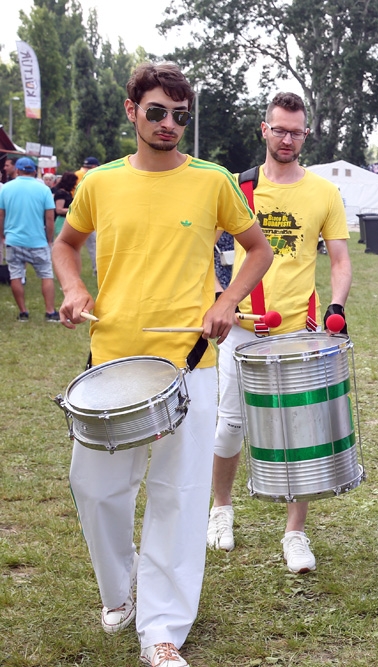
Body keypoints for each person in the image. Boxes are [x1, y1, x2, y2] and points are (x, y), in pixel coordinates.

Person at [52, 62, 273, 667]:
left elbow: (258, 250)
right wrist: (73, 287)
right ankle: (121, 588)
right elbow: (66, 244)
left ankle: (163, 629)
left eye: (180, 115)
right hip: (111, 363)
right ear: (132, 112)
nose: (169, 123)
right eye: (156, 112)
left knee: (179, 495)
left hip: (188, 363)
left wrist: (227, 300)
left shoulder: (213, 181)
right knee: (94, 487)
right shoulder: (99, 182)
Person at [207, 91, 352, 575]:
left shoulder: (324, 193)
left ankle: (294, 532)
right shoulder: (237, 186)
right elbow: (204, 248)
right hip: (243, 328)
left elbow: (340, 260)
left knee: (300, 430)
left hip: (298, 330)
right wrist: (221, 299)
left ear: (306, 135)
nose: (287, 139)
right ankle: (221, 508)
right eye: (280, 130)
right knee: (231, 424)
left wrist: (335, 306)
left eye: (296, 131)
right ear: (264, 130)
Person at [0, 157, 57, 321]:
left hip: (13, 240)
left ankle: (23, 312)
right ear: (34, 171)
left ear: (17, 170)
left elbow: (1, 215)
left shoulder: (6, 188)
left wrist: (2, 235)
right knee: (46, 275)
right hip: (37, 240)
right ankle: (50, 311)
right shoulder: (44, 189)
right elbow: (49, 218)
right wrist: (49, 239)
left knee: (16, 275)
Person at [51, 171, 78, 237]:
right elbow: (59, 210)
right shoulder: (61, 193)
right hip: (61, 220)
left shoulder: (67, 193)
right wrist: (74, 210)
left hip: (67, 220)